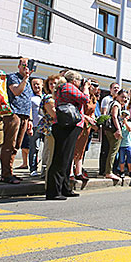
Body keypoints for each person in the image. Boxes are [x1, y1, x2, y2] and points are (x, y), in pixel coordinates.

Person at [46, 71, 90, 200]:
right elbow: (85, 99)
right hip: (66, 126)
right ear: (74, 80)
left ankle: (65, 188)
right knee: (61, 158)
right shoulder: (68, 86)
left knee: (67, 158)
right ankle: (54, 191)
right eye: (80, 81)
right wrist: (86, 89)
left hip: (68, 125)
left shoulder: (63, 87)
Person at [0, 58, 34, 184]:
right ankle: (6, 174)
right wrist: (25, 79)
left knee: (17, 145)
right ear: (19, 66)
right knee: (9, 144)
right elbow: (16, 92)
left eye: (28, 65)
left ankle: (10, 172)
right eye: (24, 65)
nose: (26, 68)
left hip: (24, 115)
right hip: (14, 113)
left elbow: (28, 100)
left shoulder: (28, 81)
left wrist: (29, 119)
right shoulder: (13, 77)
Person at [71, 79, 100, 189]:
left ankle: (78, 172)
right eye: (93, 85)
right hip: (79, 122)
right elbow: (78, 109)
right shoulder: (82, 95)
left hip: (87, 126)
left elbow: (92, 112)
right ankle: (70, 173)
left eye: (97, 86)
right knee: (74, 148)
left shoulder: (94, 98)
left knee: (81, 149)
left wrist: (93, 119)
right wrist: (87, 117)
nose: (95, 88)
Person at [37, 74, 61, 179]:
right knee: (48, 149)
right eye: (51, 83)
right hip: (50, 126)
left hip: (57, 126)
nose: (53, 85)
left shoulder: (59, 97)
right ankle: (45, 171)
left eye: (55, 83)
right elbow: (54, 114)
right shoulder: (48, 98)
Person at [104, 88, 128, 184]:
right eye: (122, 97)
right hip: (113, 130)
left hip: (111, 129)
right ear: (117, 96)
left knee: (112, 151)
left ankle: (109, 171)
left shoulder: (115, 103)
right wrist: (118, 129)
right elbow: (114, 116)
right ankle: (108, 172)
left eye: (125, 98)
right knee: (113, 151)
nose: (124, 99)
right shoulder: (116, 104)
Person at [99, 82, 120, 176]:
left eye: (117, 88)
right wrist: (104, 126)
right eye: (114, 88)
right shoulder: (106, 99)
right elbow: (103, 113)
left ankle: (112, 169)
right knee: (106, 149)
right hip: (108, 127)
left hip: (114, 128)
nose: (116, 89)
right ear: (110, 89)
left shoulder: (119, 101)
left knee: (113, 150)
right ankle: (103, 170)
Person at [28, 77, 44, 177]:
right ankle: (33, 169)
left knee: (46, 148)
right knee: (34, 148)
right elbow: (29, 110)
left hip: (46, 126)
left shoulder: (47, 97)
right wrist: (29, 122)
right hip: (35, 125)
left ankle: (44, 168)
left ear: (42, 85)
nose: (36, 86)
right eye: (34, 84)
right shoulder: (31, 98)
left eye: (38, 84)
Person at [118, 110, 131, 184]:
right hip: (121, 144)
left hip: (128, 144)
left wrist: (125, 123)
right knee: (122, 159)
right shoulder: (120, 124)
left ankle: (130, 171)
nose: (124, 117)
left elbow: (129, 129)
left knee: (130, 159)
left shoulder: (129, 123)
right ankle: (122, 171)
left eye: (126, 115)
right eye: (123, 115)